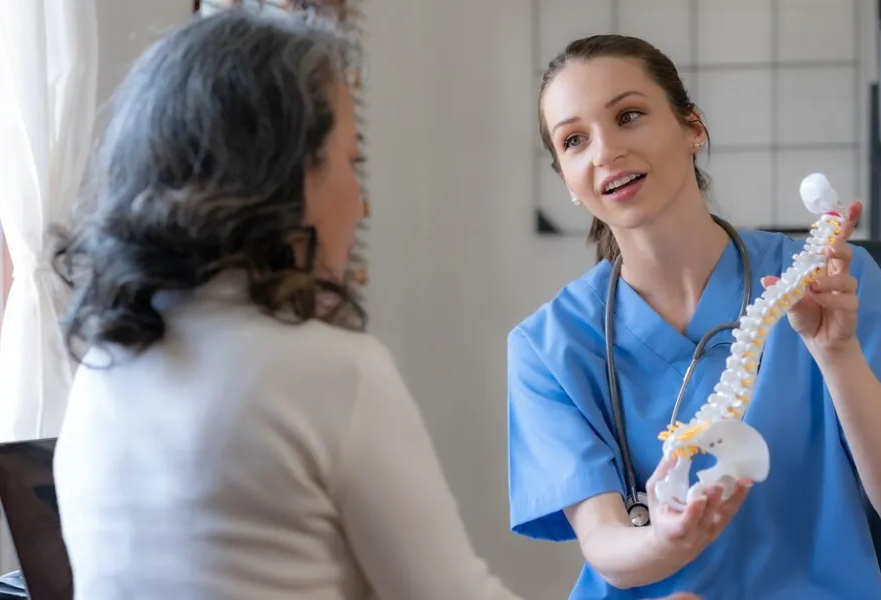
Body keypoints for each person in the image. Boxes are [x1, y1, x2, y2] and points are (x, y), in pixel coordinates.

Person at [47, 9, 697, 600]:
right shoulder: (325, 370)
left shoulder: (106, 368)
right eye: (348, 163)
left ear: (692, 129)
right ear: (281, 177)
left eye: (630, 115)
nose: (360, 202)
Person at [505, 34, 881, 600]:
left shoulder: (828, 279)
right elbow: (608, 549)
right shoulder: (550, 345)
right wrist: (669, 541)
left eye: (629, 115)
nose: (604, 151)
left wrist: (836, 353)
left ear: (693, 128)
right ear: (567, 180)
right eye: (574, 141)